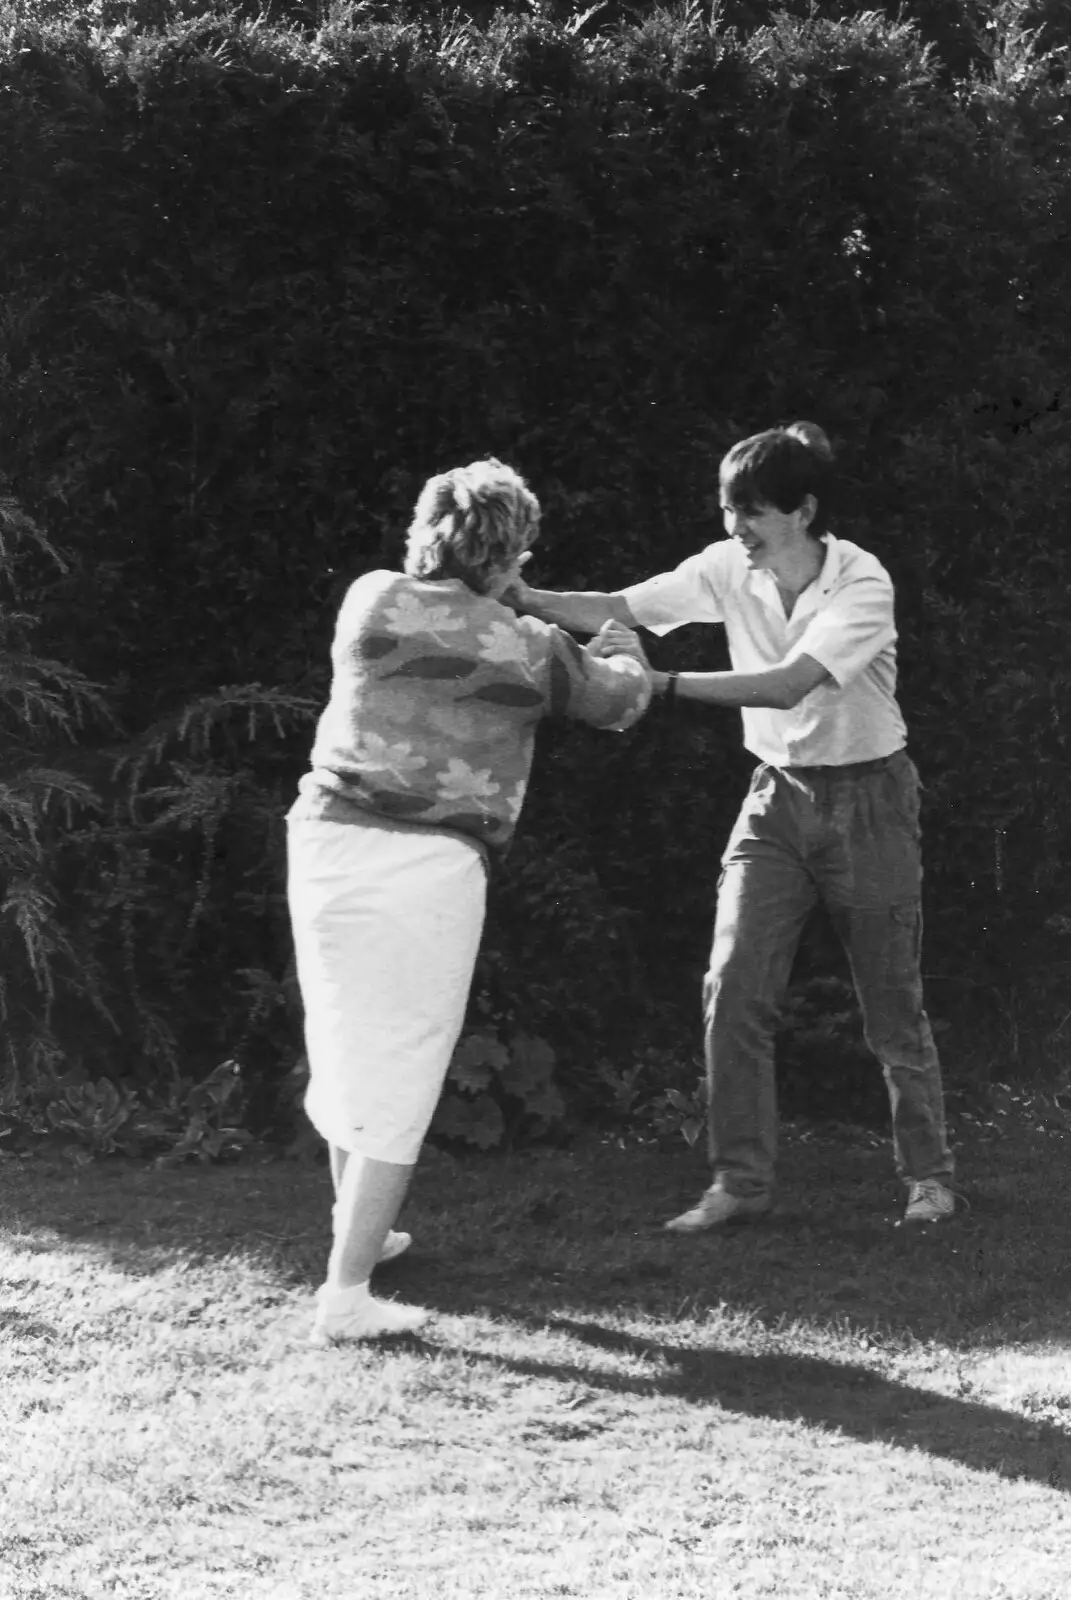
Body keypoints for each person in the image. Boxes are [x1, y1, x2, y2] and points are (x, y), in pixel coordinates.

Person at [505, 422, 955, 1229]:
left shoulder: (862, 584)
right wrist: (526, 599)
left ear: (803, 509)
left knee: (890, 1002)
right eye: (725, 511)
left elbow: (788, 686)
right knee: (732, 987)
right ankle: (739, 1186)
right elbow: (618, 608)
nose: (733, 530)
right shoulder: (725, 567)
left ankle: (929, 1180)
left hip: (871, 802)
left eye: (749, 514)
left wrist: (657, 683)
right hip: (774, 800)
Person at [287, 458, 652, 1345]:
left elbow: (442, 622)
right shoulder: (527, 647)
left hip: (325, 840)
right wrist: (622, 639)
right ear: (512, 549)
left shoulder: (369, 598)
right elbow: (620, 705)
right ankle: (344, 1297)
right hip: (429, 867)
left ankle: (360, 1239)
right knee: (405, 1059)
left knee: (343, 1040)